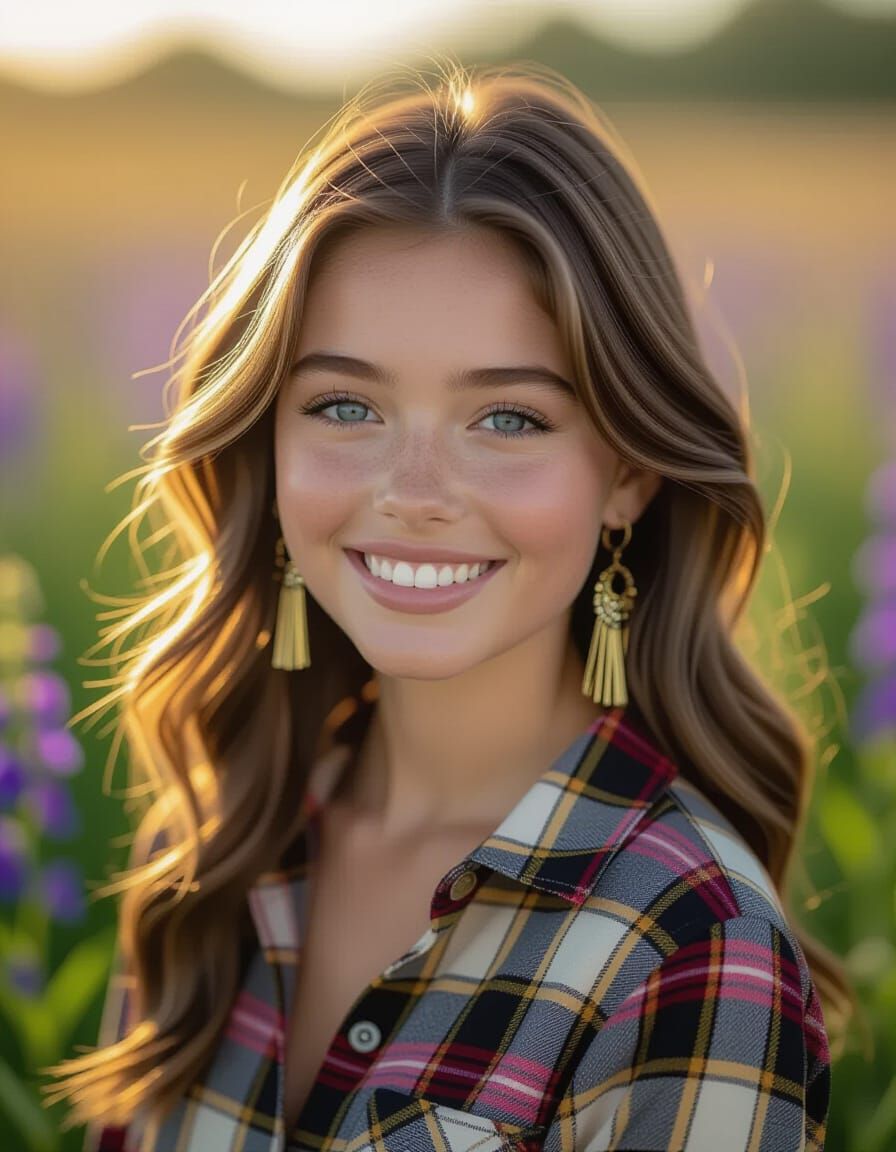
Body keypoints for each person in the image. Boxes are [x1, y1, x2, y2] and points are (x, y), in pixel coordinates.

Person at [42, 59, 850, 1151]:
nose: (411, 494)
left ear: (624, 474)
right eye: (342, 404)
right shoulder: (216, 842)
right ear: (266, 445)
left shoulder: (692, 943)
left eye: (506, 419)